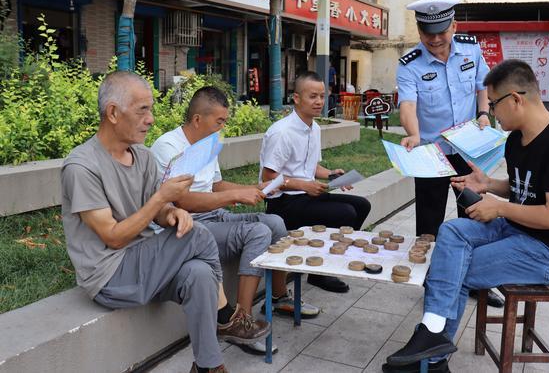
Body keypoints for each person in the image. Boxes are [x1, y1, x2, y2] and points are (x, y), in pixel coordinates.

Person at [383, 59, 549, 373]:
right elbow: (525, 186)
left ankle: (433, 354)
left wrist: (499, 207)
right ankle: (432, 334)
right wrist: (490, 185)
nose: (491, 112)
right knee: (452, 230)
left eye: (494, 104)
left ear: (517, 99)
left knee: (457, 267)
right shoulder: (516, 140)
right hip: (516, 231)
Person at [61, 72, 268, 373]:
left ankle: (208, 367)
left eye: (151, 110)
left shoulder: (142, 157)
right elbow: (113, 238)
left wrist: (173, 213)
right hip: (109, 275)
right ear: (113, 113)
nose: (151, 119)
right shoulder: (82, 166)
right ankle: (226, 317)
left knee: (197, 273)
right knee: (199, 235)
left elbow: (158, 211)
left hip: (145, 262)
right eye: (142, 110)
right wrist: (162, 199)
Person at [150, 86, 320, 335]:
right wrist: (233, 196)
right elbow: (181, 202)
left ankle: (278, 297)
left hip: (213, 216)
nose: (223, 127)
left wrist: (254, 188)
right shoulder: (168, 146)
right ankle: (240, 320)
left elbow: (215, 185)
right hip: (187, 225)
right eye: (219, 121)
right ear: (198, 119)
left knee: (274, 222)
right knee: (258, 232)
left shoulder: (208, 142)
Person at [396, 0, 503, 308]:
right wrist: (413, 134)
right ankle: (432, 281)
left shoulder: (471, 48)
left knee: (474, 214)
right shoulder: (410, 63)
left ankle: (474, 280)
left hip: (467, 149)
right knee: (429, 219)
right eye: (428, 31)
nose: (435, 38)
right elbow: (408, 105)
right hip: (430, 150)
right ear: (419, 31)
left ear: (454, 26)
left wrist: (484, 113)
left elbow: (483, 84)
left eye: (441, 30)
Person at [260, 71, 371, 293]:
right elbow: (268, 178)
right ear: (296, 98)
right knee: (346, 214)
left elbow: (309, 167)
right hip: (283, 204)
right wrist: (305, 185)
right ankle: (321, 271)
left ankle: (321, 269)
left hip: (306, 195)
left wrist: (331, 174)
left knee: (362, 206)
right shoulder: (282, 132)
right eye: (313, 96)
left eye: (322, 96)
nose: (319, 101)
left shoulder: (314, 128)